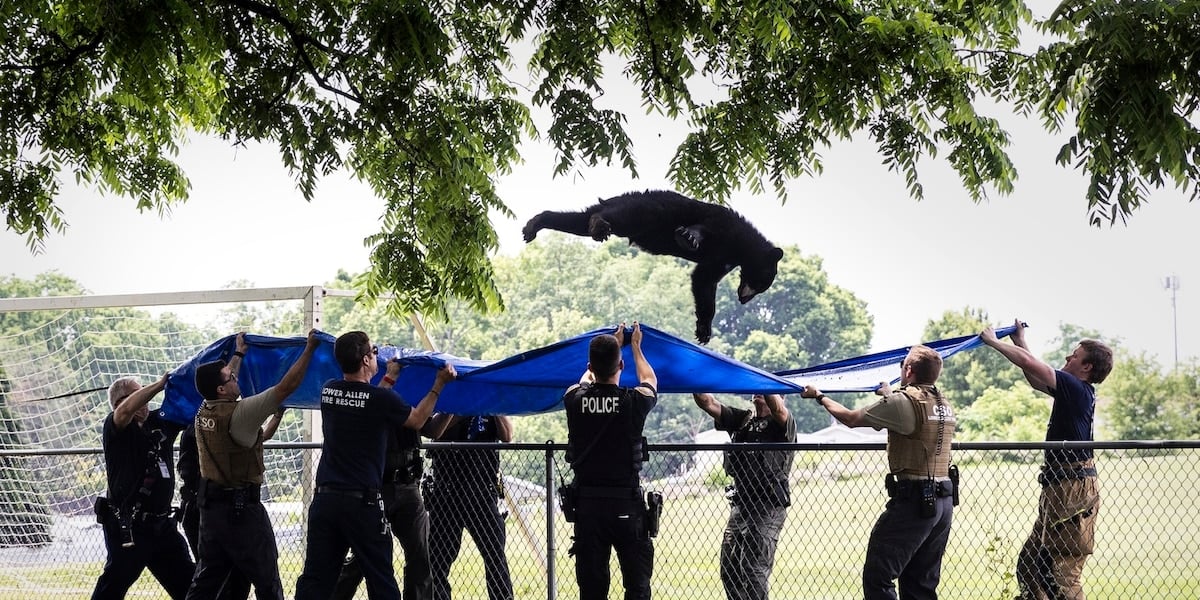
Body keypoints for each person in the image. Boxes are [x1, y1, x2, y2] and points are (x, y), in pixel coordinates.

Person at [295, 330, 456, 600]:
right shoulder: (382, 399)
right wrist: (439, 384)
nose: (376, 356)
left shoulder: (329, 391)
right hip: (362, 503)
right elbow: (417, 420)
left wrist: (390, 377)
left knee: (316, 579)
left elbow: (367, 401)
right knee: (381, 578)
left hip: (325, 501)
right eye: (373, 352)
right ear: (365, 360)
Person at [802, 344, 957, 600]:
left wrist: (819, 395)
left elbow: (851, 418)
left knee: (879, 576)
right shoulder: (941, 403)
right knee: (921, 583)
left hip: (915, 501)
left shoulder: (901, 402)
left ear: (908, 370)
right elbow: (906, 411)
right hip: (943, 500)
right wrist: (889, 392)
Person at [184, 330, 320, 600]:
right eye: (231, 378)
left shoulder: (204, 410)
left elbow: (221, 380)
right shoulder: (241, 413)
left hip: (211, 512)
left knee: (206, 582)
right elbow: (285, 388)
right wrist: (309, 350)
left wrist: (239, 353)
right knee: (267, 580)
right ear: (222, 389)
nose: (236, 378)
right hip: (242, 512)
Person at [981, 320, 1112, 600]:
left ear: (1087, 367)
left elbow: (1032, 363)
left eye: (1074, 355)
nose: (1068, 357)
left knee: (1059, 577)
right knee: (1030, 565)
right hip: (1060, 487)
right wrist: (1019, 340)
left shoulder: (1077, 388)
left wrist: (993, 342)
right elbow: (1034, 375)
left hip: (1071, 490)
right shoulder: (1071, 391)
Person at [562, 321, 658, 600]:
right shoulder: (634, 401)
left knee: (592, 590)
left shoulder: (573, 398)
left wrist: (612, 346)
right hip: (626, 507)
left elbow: (583, 383)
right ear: (622, 366)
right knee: (637, 588)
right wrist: (635, 348)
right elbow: (650, 381)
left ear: (590, 366)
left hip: (589, 510)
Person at [91, 373, 195, 600]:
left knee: (189, 585)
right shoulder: (116, 426)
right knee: (113, 586)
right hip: (129, 526)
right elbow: (125, 412)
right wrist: (157, 385)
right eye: (140, 395)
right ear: (121, 402)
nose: (146, 402)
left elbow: (191, 404)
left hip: (161, 526)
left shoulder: (160, 423)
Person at [691, 392, 796, 600]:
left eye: (767, 390)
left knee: (753, 569)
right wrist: (694, 374)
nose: (758, 392)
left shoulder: (782, 423)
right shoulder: (742, 420)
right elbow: (707, 402)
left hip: (768, 506)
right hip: (741, 505)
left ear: (781, 397)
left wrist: (762, 382)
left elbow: (777, 409)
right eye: (755, 388)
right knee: (729, 569)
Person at [332, 406, 433, 600]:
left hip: (408, 484)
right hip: (374, 488)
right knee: (365, 557)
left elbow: (432, 429)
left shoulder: (414, 393)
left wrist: (456, 408)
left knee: (420, 554)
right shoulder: (376, 394)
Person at [424, 413, 515, 600]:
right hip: (446, 492)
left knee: (495, 557)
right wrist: (465, 407)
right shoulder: (446, 398)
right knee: (437, 561)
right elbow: (434, 431)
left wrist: (491, 405)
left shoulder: (489, 407)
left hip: (482, 492)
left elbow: (507, 436)